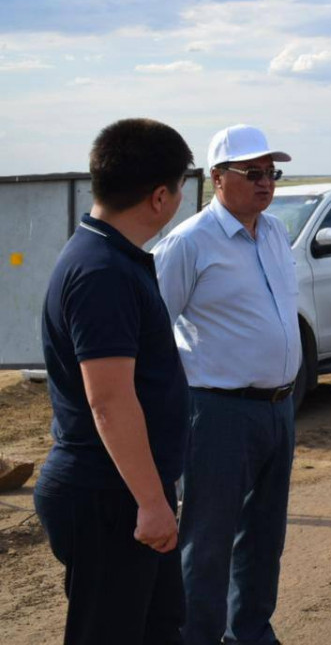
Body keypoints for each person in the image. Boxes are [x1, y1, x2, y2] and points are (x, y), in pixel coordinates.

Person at [35, 118, 194, 644]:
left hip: (124, 489)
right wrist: (150, 502)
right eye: (180, 187)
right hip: (108, 494)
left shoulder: (109, 256)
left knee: (158, 628)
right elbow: (109, 400)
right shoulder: (102, 272)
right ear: (159, 196)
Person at [153, 124, 300, 645]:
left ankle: (251, 633)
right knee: (208, 541)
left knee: (264, 536)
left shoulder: (275, 232)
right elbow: (153, 335)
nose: (266, 183)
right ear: (217, 178)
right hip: (216, 413)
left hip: (278, 408)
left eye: (271, 172)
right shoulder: (188, 243)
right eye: (252, 172)